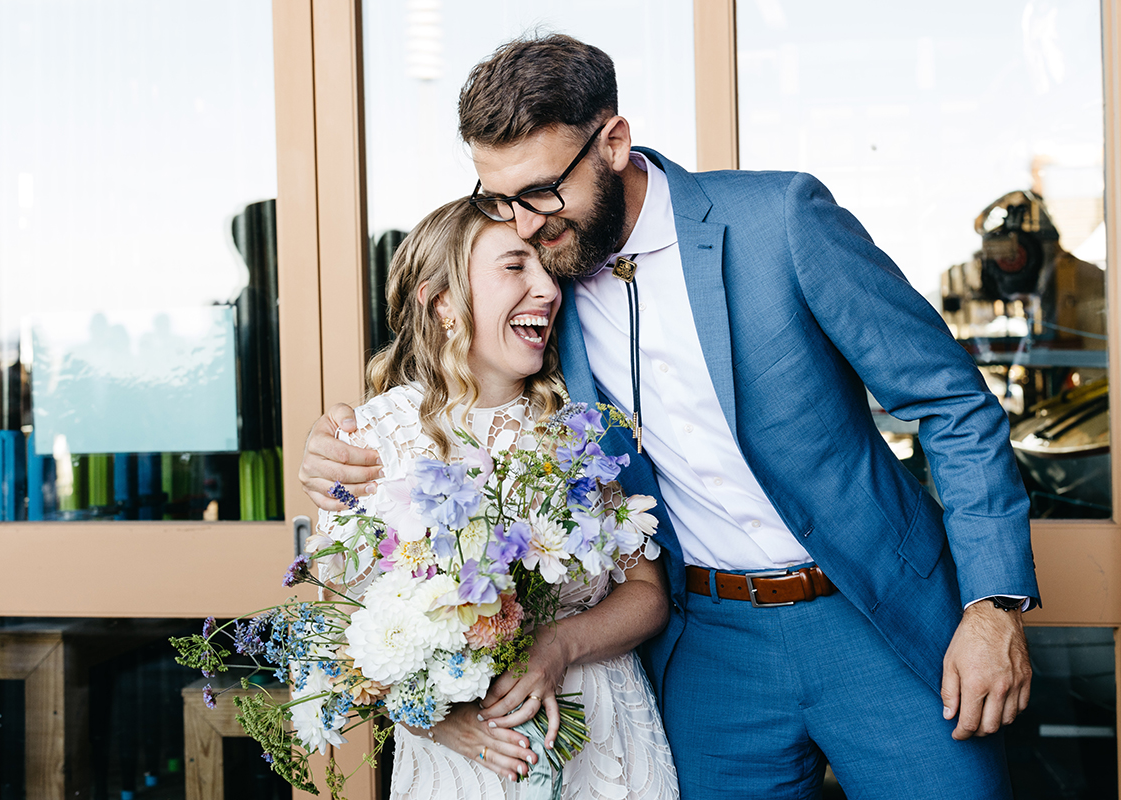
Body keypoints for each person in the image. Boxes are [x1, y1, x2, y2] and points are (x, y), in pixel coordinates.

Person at [302, 35, 1040, 799]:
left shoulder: (780, 220)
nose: (521, 224)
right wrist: (340, 445)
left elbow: (951, 401)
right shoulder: (548, 286)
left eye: (541, 191)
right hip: (710, 652)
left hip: (873, 616)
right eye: (499, 199)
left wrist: (992, 604)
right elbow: (461, 394)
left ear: (613, 143)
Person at [308, 197, 680, 799]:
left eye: (548, 270)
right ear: (442, 302)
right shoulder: (372, 439)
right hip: (461, 764)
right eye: (514, 267)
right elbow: (348, 637)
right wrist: (436, 718)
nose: (548, 290)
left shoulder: (577, 427)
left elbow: (648, 596)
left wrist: (560, 645)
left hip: (603, 741)